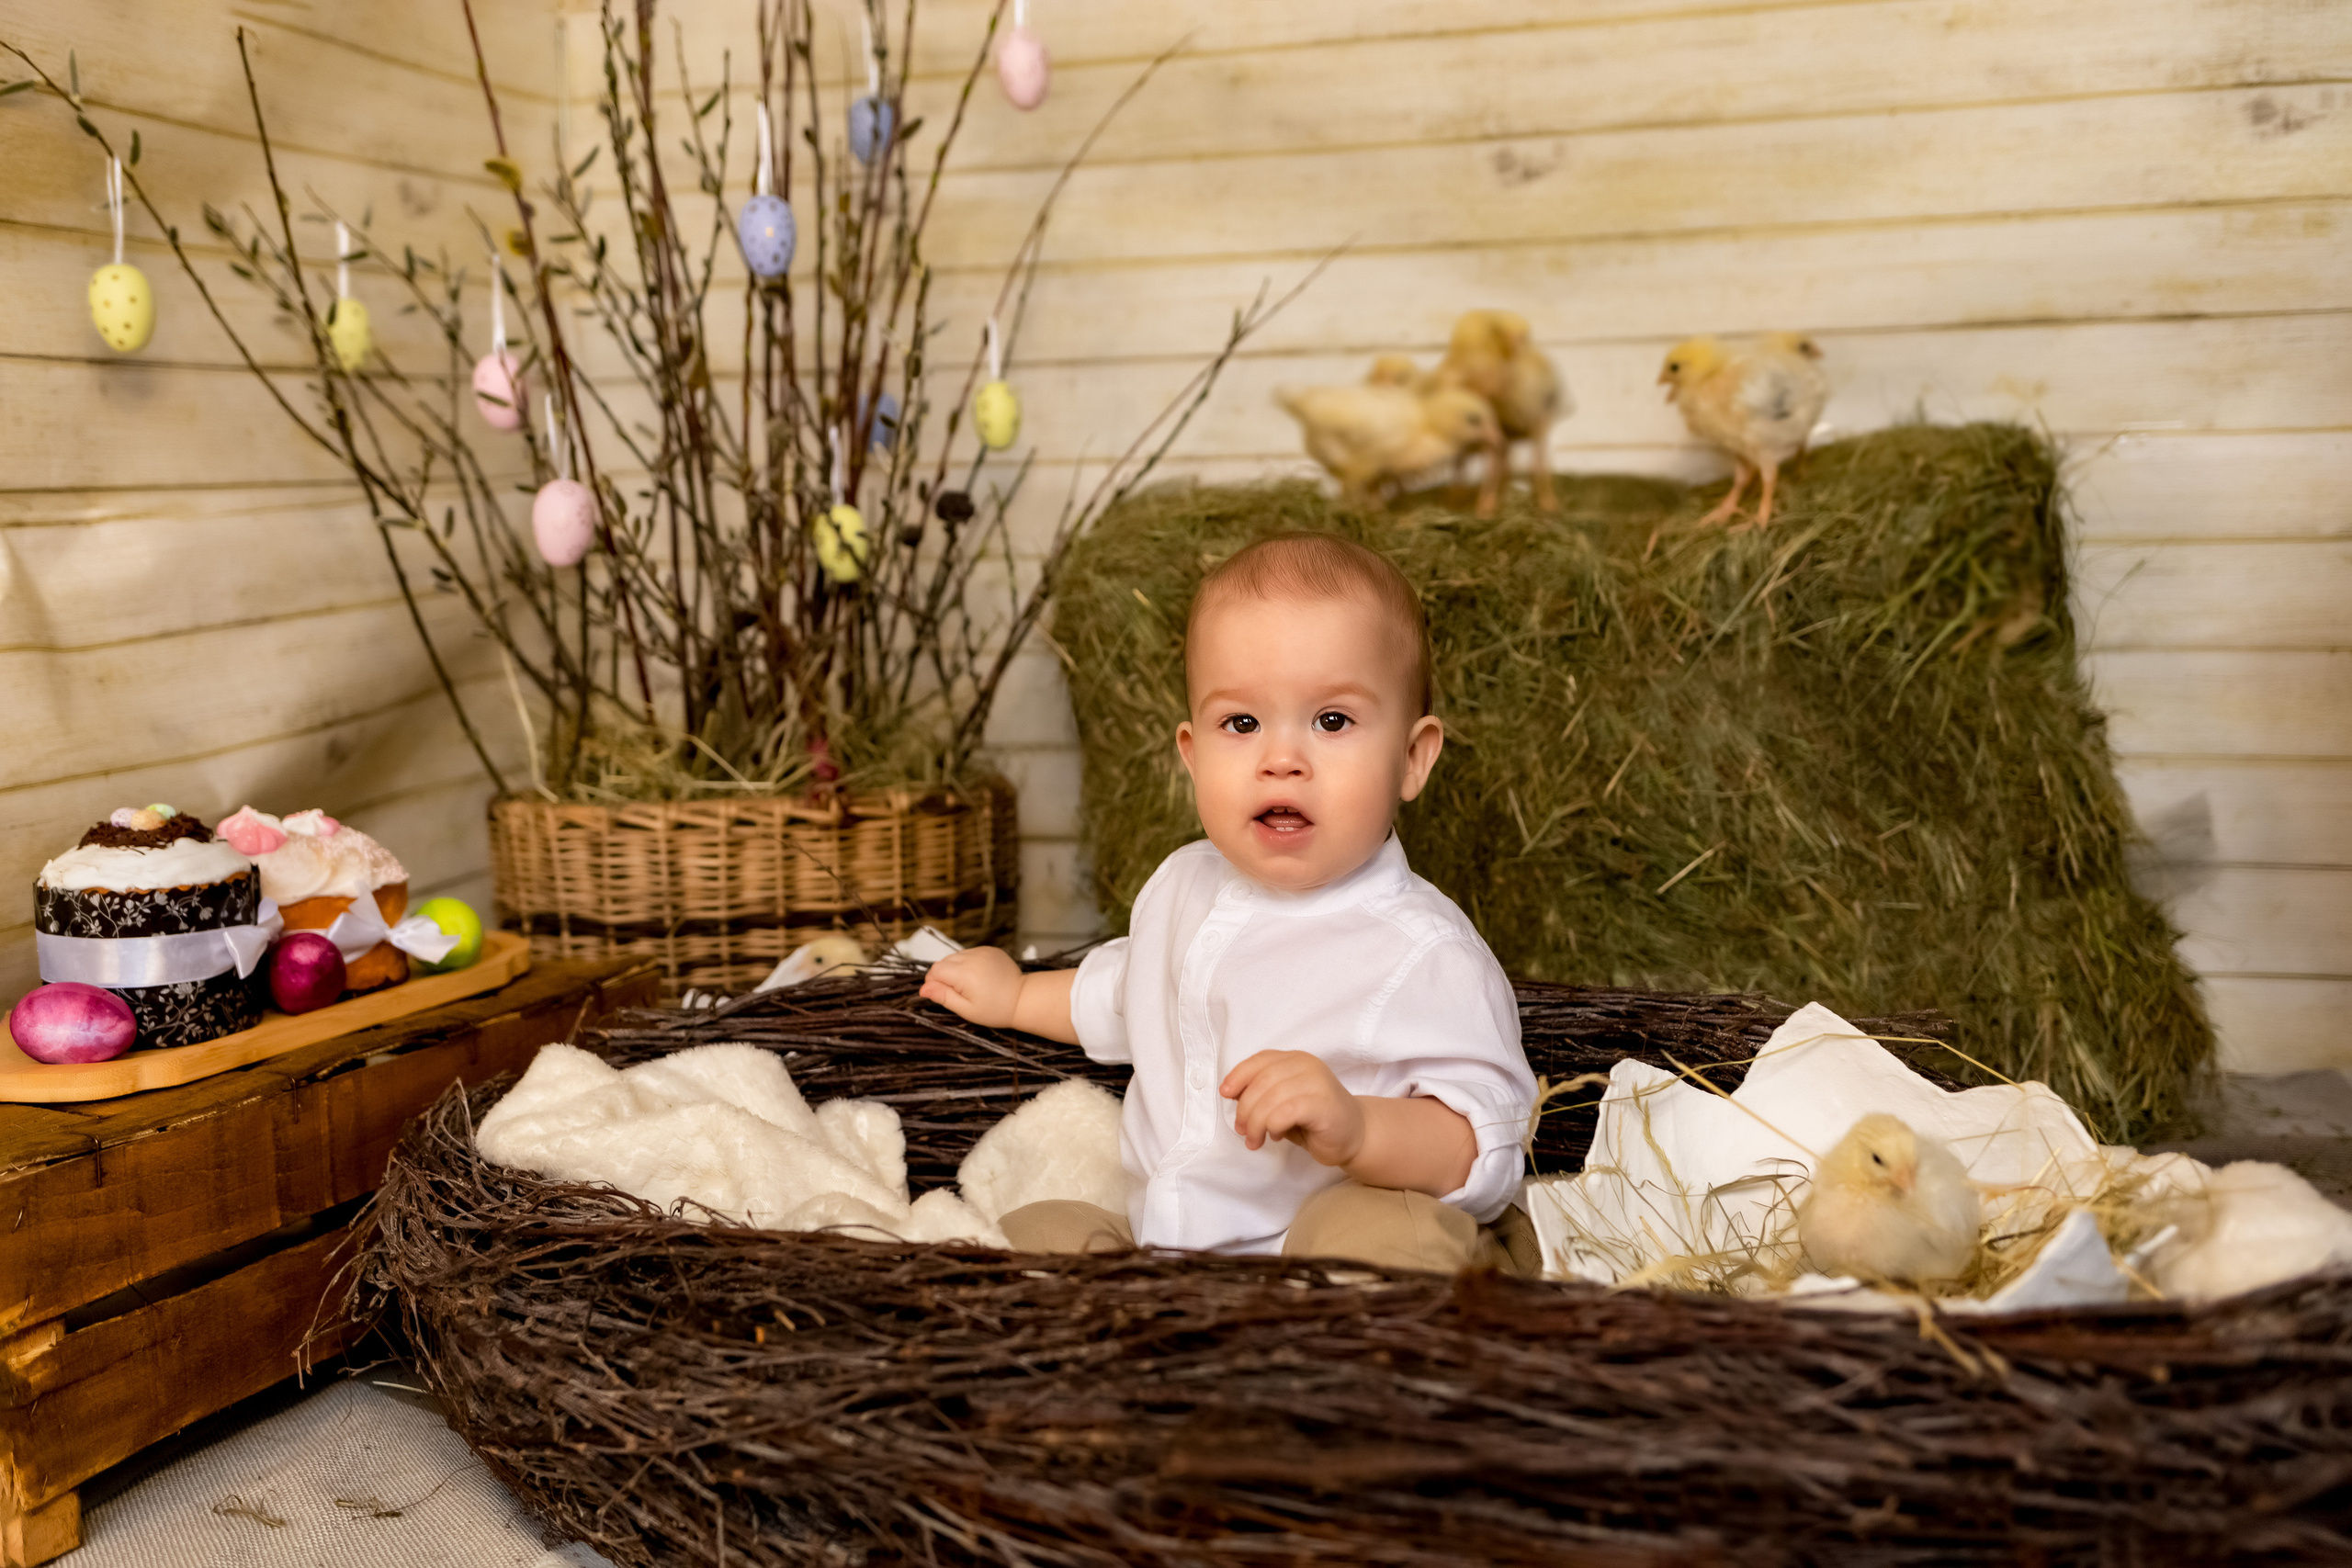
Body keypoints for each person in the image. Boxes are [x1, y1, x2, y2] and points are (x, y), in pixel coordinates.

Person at [922, 533, 1539, 1272]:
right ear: (1192, 754)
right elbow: (1127, 992)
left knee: (1377, 1238)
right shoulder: (1182, 889)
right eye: (1240, 724)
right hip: (1176, 1249)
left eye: (1332, 720)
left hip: (1315, 1246)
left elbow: (1488, 1138)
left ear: (1412, 759)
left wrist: (1358, 1127)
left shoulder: (1423, 950)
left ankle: (1362, 1363)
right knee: (1028, 1234)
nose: (1281, 758)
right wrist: (1017, 994)